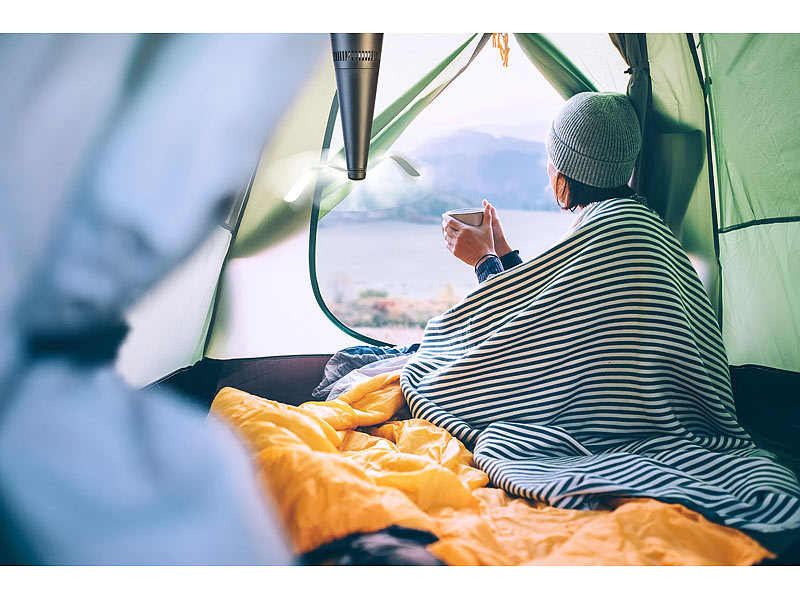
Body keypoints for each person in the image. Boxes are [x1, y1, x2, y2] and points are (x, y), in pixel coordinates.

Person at [441, 91, 642, 283]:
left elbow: (511, 318)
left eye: (551, 157)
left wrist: (482, 259)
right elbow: (542, 301)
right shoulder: (635, 222)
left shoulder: (596, 239)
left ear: (564, 170)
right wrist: (501, 250)